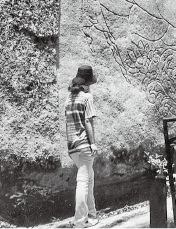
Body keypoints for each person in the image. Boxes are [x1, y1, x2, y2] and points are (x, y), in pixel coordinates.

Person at [65, 65, 99, 229]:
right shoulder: (87, 97)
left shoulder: (68, 99)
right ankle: (79, 221)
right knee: (84, 182)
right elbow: (87, 121)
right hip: (84, 144)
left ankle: (91, 215)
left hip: (72, 146)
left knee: (88, 180)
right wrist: (93, 143)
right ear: (88, 83)